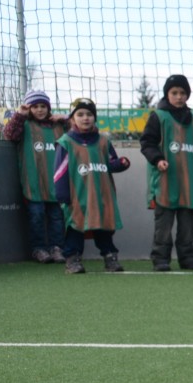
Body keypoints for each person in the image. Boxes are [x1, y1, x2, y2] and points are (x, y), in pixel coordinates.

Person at [52, 99, 131, 274]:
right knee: (75, 227)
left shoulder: (103, 141)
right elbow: (59, 172)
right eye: (80, 114)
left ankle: (110, 256)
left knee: (104, 228)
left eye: (89, 114)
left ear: (94, 118)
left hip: (102, 195)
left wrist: (122, 163)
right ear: (72, 119)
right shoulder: (66, 142)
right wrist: (63, 194)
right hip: (78, 196)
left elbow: (111, 163)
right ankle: (72, 259)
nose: (85, 118)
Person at [140, 73, 193, 272]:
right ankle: (160, 258)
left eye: (183, 93)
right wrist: (158, 159)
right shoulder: (158, 117)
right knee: (164, 224)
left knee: (187, 224)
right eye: (174, 92)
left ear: (188, 95)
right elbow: (147, 142)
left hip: (188, 182)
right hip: (166, 181)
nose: (179, 97)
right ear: (167, 95)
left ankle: (187, 258)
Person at [2, 89, 68, 263]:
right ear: (29, 108)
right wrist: (19, 115)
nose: (40, 110)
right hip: (33, 183)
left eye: (43, 106)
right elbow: (9, 134)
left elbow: (80, 131)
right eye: (35, 106)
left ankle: (57, 248)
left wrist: (66, 119)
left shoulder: (59, 127)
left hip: (56, 183)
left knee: (56, 217)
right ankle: (38, 249)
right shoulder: (24, 125)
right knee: (36, 216)